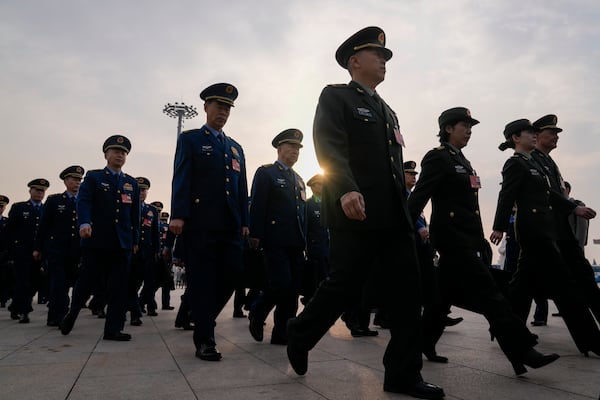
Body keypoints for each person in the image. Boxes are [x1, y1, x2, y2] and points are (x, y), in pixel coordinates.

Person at [286, 27, 444, 399]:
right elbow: (330, 145)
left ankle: (403, 374)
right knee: (344, 285)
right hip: (355, 210)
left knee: (408, 292)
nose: (384, 61)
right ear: (355, 61)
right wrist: (345, 189)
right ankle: (300, 332)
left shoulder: (387, 110)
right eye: (378, 55)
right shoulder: (336, 97)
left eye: (386, 57)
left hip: (393, 216)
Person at [409, 110, 559, 377]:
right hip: (452, 240)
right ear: (447, 129)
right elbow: (418, 198)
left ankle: (424, 342)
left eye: (470, 127)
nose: (468, 131)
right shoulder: (437, 157)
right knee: (492, 296)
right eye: (464, 126)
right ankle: (522, 351)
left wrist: (480, 239)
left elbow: (472, 209)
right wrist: (405, 231)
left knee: (441, 299)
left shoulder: (464, 162)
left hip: (466, 239)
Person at [490, 118, 600, 357]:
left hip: (545, 231)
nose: (534, 135)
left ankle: (506, 328)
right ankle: (592, 340)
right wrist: (499, 226)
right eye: (530, 132)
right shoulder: (515, 163)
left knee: (522, 287)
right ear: (516, 138)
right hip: (533, 231)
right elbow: (505, 196)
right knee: (565, 286)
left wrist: (573, 208)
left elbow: (550, 193)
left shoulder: (536, 164)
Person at [169, 83, 249, 361]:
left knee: (234, 275)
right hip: (200, 223)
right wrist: (178, 214)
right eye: (218, 106)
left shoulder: (236, 148)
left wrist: (244, 221)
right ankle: (205, 338)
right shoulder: (190, 140)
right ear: (206, 107)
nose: (223, 112)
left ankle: (201, 315)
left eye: (227, 108)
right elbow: (182, 177)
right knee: (202, 282)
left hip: (230, 224)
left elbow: (242, 189)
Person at [60, 135, 140, 341]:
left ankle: (113, 329)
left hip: (121, 243)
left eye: (123, 153)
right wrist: (84, 223)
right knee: (86, 282)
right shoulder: (94, 178)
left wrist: (135, 241)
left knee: (119, 288)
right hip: (97, 241)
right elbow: (83, 202)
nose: (119, 155)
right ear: (106, 155)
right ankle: (73, 311)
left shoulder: (131, 183)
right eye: (115, 151)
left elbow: (135, 216)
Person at [530, 115, 600, 324]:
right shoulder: (531, 160)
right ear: (537, 135)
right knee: (531, 284)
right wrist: (574, 208)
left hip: (561, 232)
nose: (555, 137)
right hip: (546, 232)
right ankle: (510, 327)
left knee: (584, 276)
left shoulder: (549, 162)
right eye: (551, 133)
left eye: (556, 133)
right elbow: (546, 193)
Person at [248, 128, 307, 346]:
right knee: (280, 285)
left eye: (298, 149)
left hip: (295, 242)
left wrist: (305, 241)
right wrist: (255, 234)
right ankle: (257, 311)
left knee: (292, 290)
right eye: (291, 147)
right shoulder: (266, 173)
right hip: (274, 240)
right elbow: (258, 204)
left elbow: (302, 215)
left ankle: (281, 333)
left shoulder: (299, 180)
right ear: (280, 148)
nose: (295, 151)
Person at [33, 166, 84, 327]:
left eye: (79, 180)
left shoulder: (84, 201)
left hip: (77, 250)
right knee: (58, 283)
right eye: (74, 179)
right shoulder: (55, 200)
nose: (77, 182)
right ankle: (56, 315)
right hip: (57, 249)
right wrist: (38, 247)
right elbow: (43, 226)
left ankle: (63, 309)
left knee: (72, 282)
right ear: (65, 181)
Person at [4, 179, 49, 323]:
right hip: (21, 252)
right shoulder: (19, 208)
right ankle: (25, 311)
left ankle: (15, 306)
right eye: (37, 190)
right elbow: (9, 232)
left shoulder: (47, 209)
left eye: (42, 191)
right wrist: (9, 252)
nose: (39, 193)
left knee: (36, 281)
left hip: (40, 252)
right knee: (23, 281)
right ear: (30, 191)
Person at [128, 177, 160, 326]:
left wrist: (157, 251)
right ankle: (134, 312)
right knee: (131, 283)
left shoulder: (152, 211)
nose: (141, 193)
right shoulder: (127, 206)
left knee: (149, 283)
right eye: (139, 189)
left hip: (147, 253)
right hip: (130, 251)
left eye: (144, 190)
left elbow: (155, 233)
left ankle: (140, 304)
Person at [301, 174, 329, 304]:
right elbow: (305, 228)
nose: (322, 187)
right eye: (319, 184)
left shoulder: (328, 204)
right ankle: (310, 300)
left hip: (328, 247)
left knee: (327, 278)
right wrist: (306, 247)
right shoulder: (308, 205)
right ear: (312, 187)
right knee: (317, 278)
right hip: (315, 248)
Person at [0, 195, 12, 308]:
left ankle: (3, 299)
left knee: (3, 277)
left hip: (2, 253)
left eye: (1, 206)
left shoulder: (7, 221)